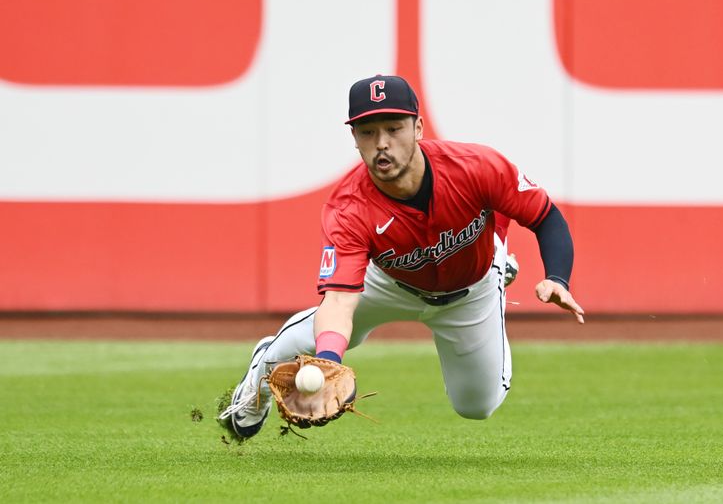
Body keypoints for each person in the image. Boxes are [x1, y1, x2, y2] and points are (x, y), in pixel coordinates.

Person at [221, 74, 584, 437]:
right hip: (391, 284)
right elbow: (339, 300)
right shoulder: (349, 207)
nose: (382, 144)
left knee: (476, 406)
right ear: (354, 139)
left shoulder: (475, 167)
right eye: (367, 132)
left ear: (418, 128)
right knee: (314, 339)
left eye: (394, 128)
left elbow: (545, 216)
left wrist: (557, 277)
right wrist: (328, 362)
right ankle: (259, 377)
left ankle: (498, 262)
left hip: (471, 291)